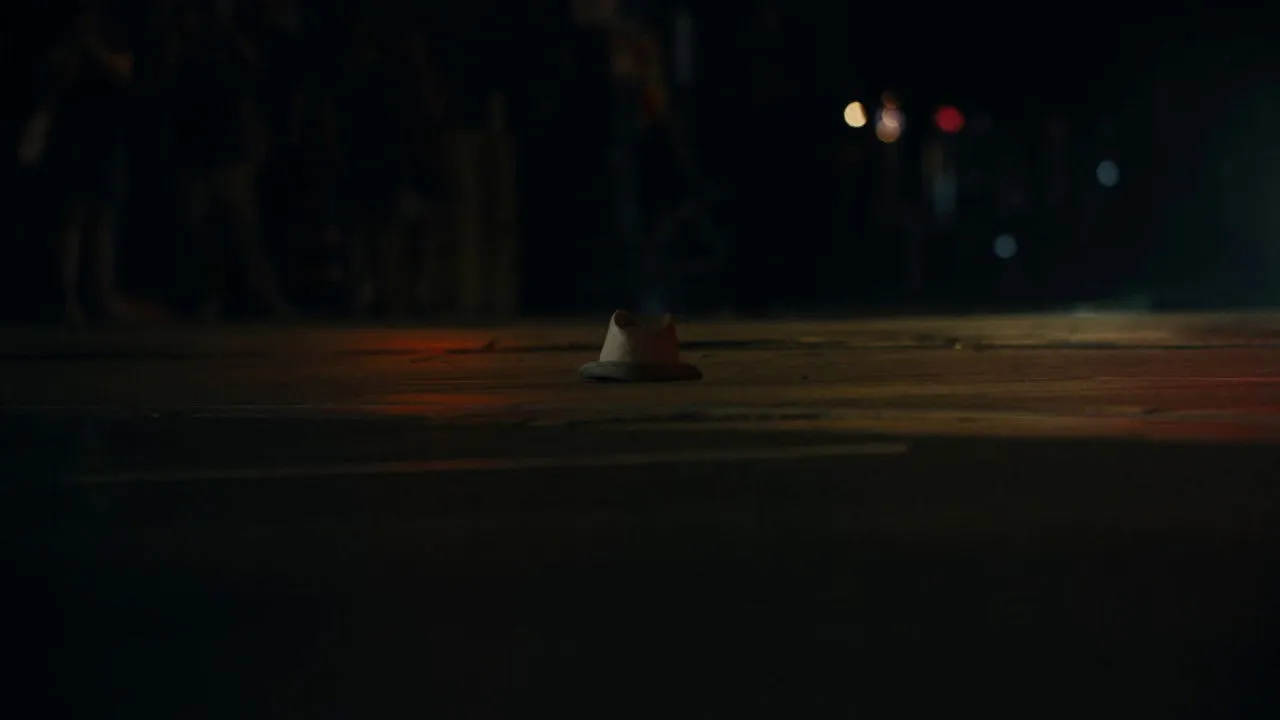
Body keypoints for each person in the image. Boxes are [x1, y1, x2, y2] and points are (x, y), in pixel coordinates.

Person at [24, 4, 134, 323]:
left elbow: (123, 72)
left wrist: (93, 47)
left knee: (101, 221)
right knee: (71, 219)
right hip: (72, 141)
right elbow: (51, 81)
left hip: (105, 140)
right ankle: (67, 298)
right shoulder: (64, 43)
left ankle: (99, 296)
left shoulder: (111, 35)